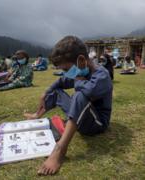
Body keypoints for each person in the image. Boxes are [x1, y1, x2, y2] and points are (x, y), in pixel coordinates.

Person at [24, 36, 113, 175]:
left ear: (82, 60)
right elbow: (62, 81)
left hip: (97, 123)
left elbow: (89, 91)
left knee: (79, 95)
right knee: (56, 92)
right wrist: (46, 92)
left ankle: (60, 149)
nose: (67, 73)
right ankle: (37, 114)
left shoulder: (102, 75)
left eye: (66, 69)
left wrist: (77, 81)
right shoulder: (81, 70)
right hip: (81, 116)